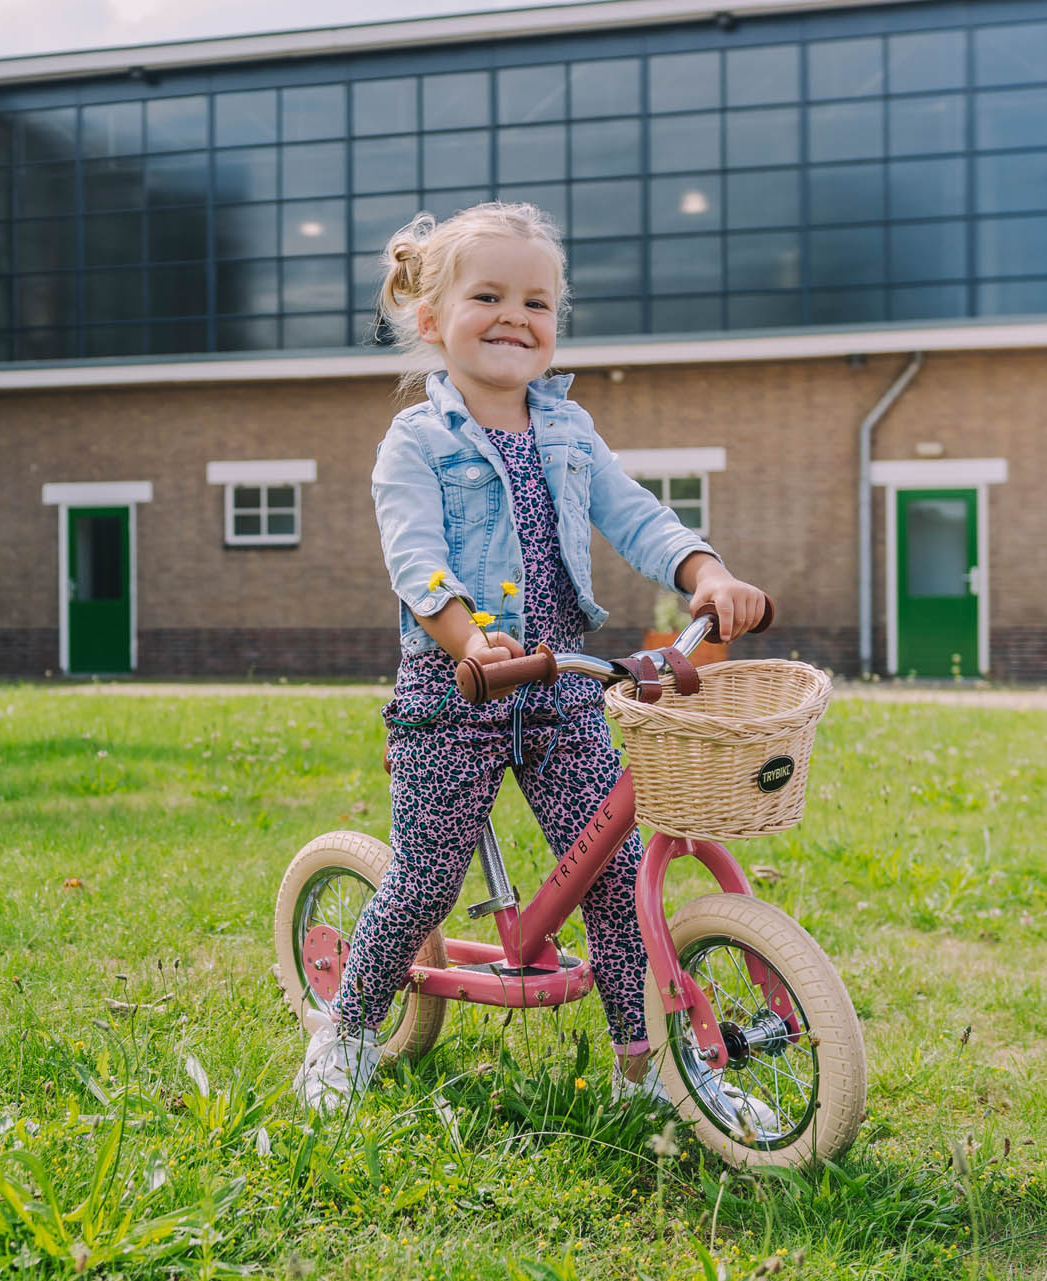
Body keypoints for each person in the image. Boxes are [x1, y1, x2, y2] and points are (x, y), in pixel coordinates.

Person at [294, 202, 770, 1112]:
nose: (517, 316)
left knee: (618, 876)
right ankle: (347, 1029)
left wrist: (705, 570)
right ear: (432, 321)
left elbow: (636, 512)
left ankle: (650, 1069)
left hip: (562, 691)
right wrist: (469, 636)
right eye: (490, 296)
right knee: (428, 875)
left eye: (538, 302)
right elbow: (415, 556)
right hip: (456, 691)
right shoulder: (417, 441)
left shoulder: (568, 429)